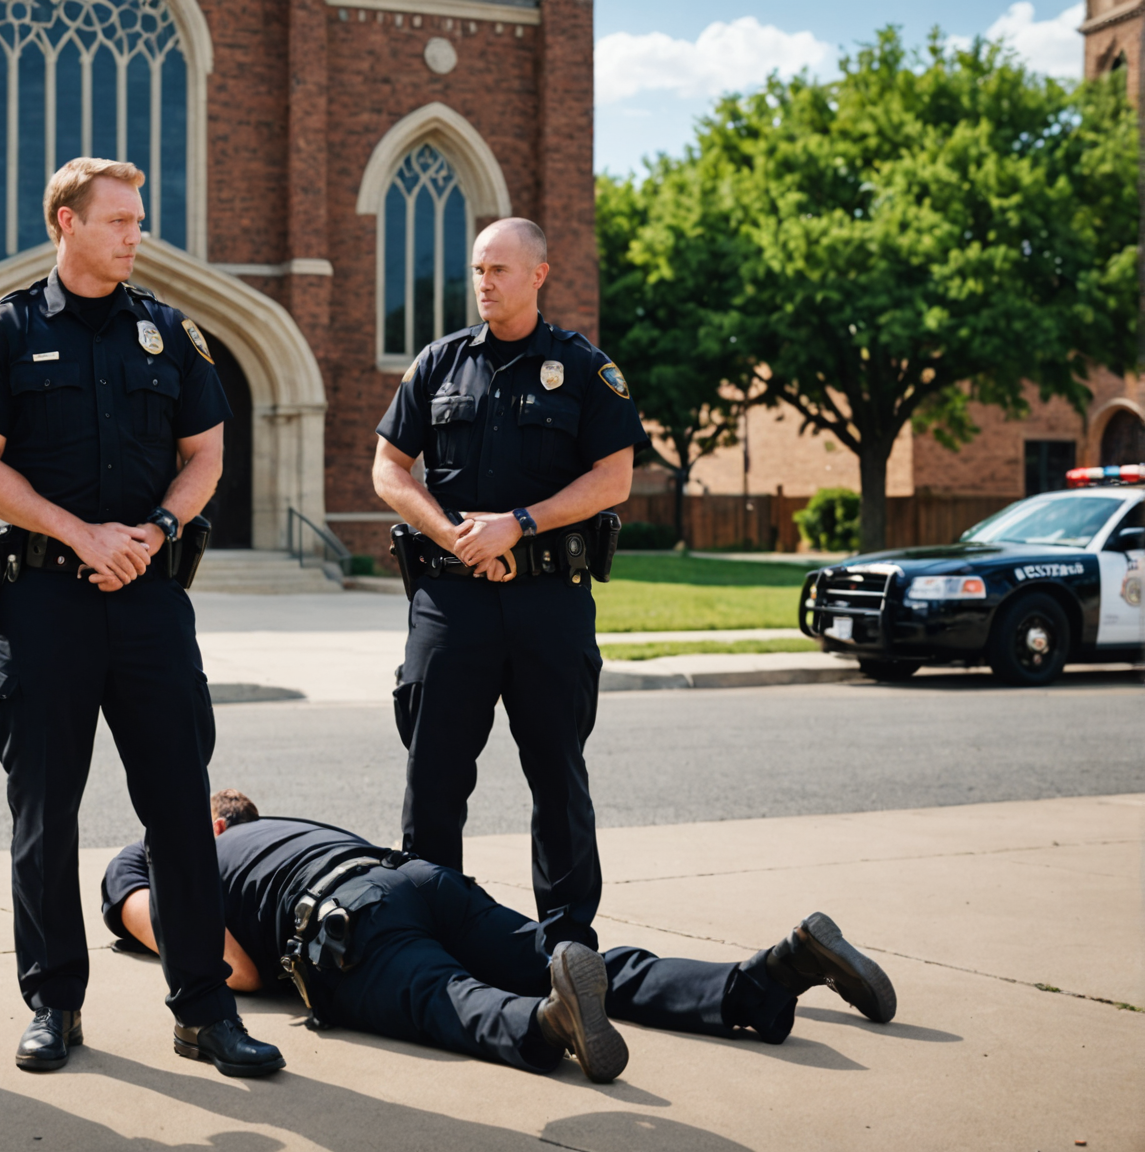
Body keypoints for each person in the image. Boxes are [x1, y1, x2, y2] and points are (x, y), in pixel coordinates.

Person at [0, 157, 284, 1080]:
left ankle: (203, 1012)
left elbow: (207, 454)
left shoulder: (172, 334)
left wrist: (159, 528)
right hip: (46, 599)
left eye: (140, 219)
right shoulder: (2, 331)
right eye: (120, 219)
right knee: (44, 813)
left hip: (150, 602)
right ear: (66, 221)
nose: (138, 234)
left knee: (179, 807)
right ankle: (55, 1003)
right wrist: (80, 535)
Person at [99, 790, 899, 1083]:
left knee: (451, 999)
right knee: (570, 959)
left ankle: (546, 1023)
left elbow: (227, 970)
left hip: (341, 924)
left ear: (204, 824)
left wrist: (140, 899)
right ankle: (771, 972)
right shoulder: (284, 827)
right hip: (414, 879)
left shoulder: (168, 853)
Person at [371, 218, 647, 954]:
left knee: (557, 775)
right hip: (450, 600)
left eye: (498, 269)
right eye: (477, 270)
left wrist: (518, 525)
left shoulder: (584, 369)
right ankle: (427, 942)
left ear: (539, 275)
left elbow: (613, 478)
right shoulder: (438, 364)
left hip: (546, 601)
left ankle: (567, 946)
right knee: (432, 778)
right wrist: (455, 535)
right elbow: (389, 470)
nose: (484, 283)